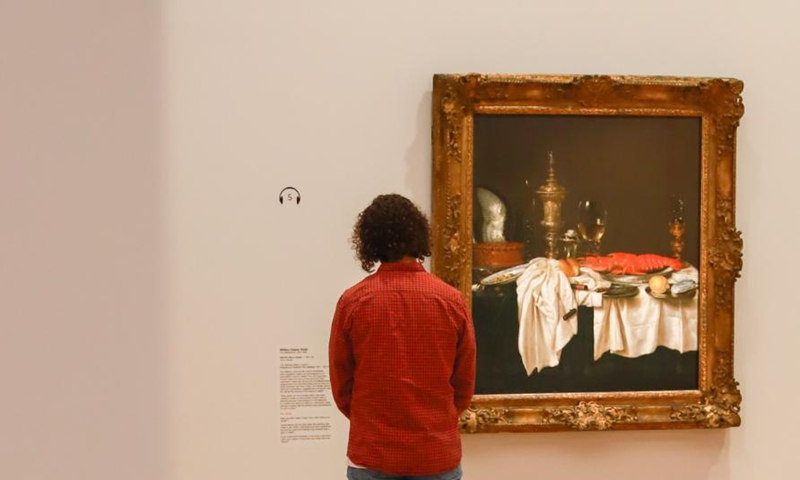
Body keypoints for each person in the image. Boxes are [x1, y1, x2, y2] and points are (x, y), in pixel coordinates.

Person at [329, 194, 476, 480]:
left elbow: (342, 386)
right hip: (435, 452)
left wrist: (373, 422)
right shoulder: (451, 301)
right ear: (418, 236)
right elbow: (464, 385)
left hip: (373, 452)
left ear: (369, 241)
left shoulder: (353, 302)